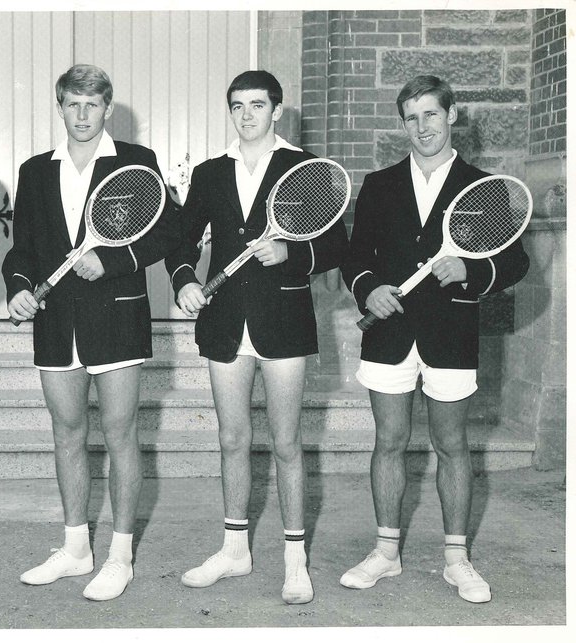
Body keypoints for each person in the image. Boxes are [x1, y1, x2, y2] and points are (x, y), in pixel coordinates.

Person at [339, 75, 529, 603]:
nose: (421, 127)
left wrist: (469, 269)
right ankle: (385, 553)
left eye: (430, 114)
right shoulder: (379, 185)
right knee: (389, 441)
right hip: (389, 335)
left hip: (449, 333)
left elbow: (515, 260)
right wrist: (369, 289)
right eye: (411, 117)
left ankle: (456, 559)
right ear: (403, 124)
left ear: (451, 117)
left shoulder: (483, 187)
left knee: (452, 445)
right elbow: (355, 260)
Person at [164, 70, 348, 605]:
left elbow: (336, 243)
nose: (247, 115)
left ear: (277, 110)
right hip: (224, 320)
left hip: (283, 320)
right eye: (238, 105)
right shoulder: (210, 172)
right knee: (230, 439)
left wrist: (294, 253)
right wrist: (184, 281)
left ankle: (296, 559)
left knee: (287, 443)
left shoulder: (302, 169)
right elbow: (181, 239)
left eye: (258, 104)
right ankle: (234, 550)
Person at [2, 64, 179, 601]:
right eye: (73, 104)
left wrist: (116, 260)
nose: (82, 115)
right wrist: (17, 286)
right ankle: (76, 547)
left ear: (107, 108)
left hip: (117, 316)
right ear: (60, 107)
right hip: (57, 323)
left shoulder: (136, 163)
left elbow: (168, 232)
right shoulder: (35, 171)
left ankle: (120, 554)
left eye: (92, 105)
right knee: (67, 433)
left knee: (121, 434)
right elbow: (24, 249)